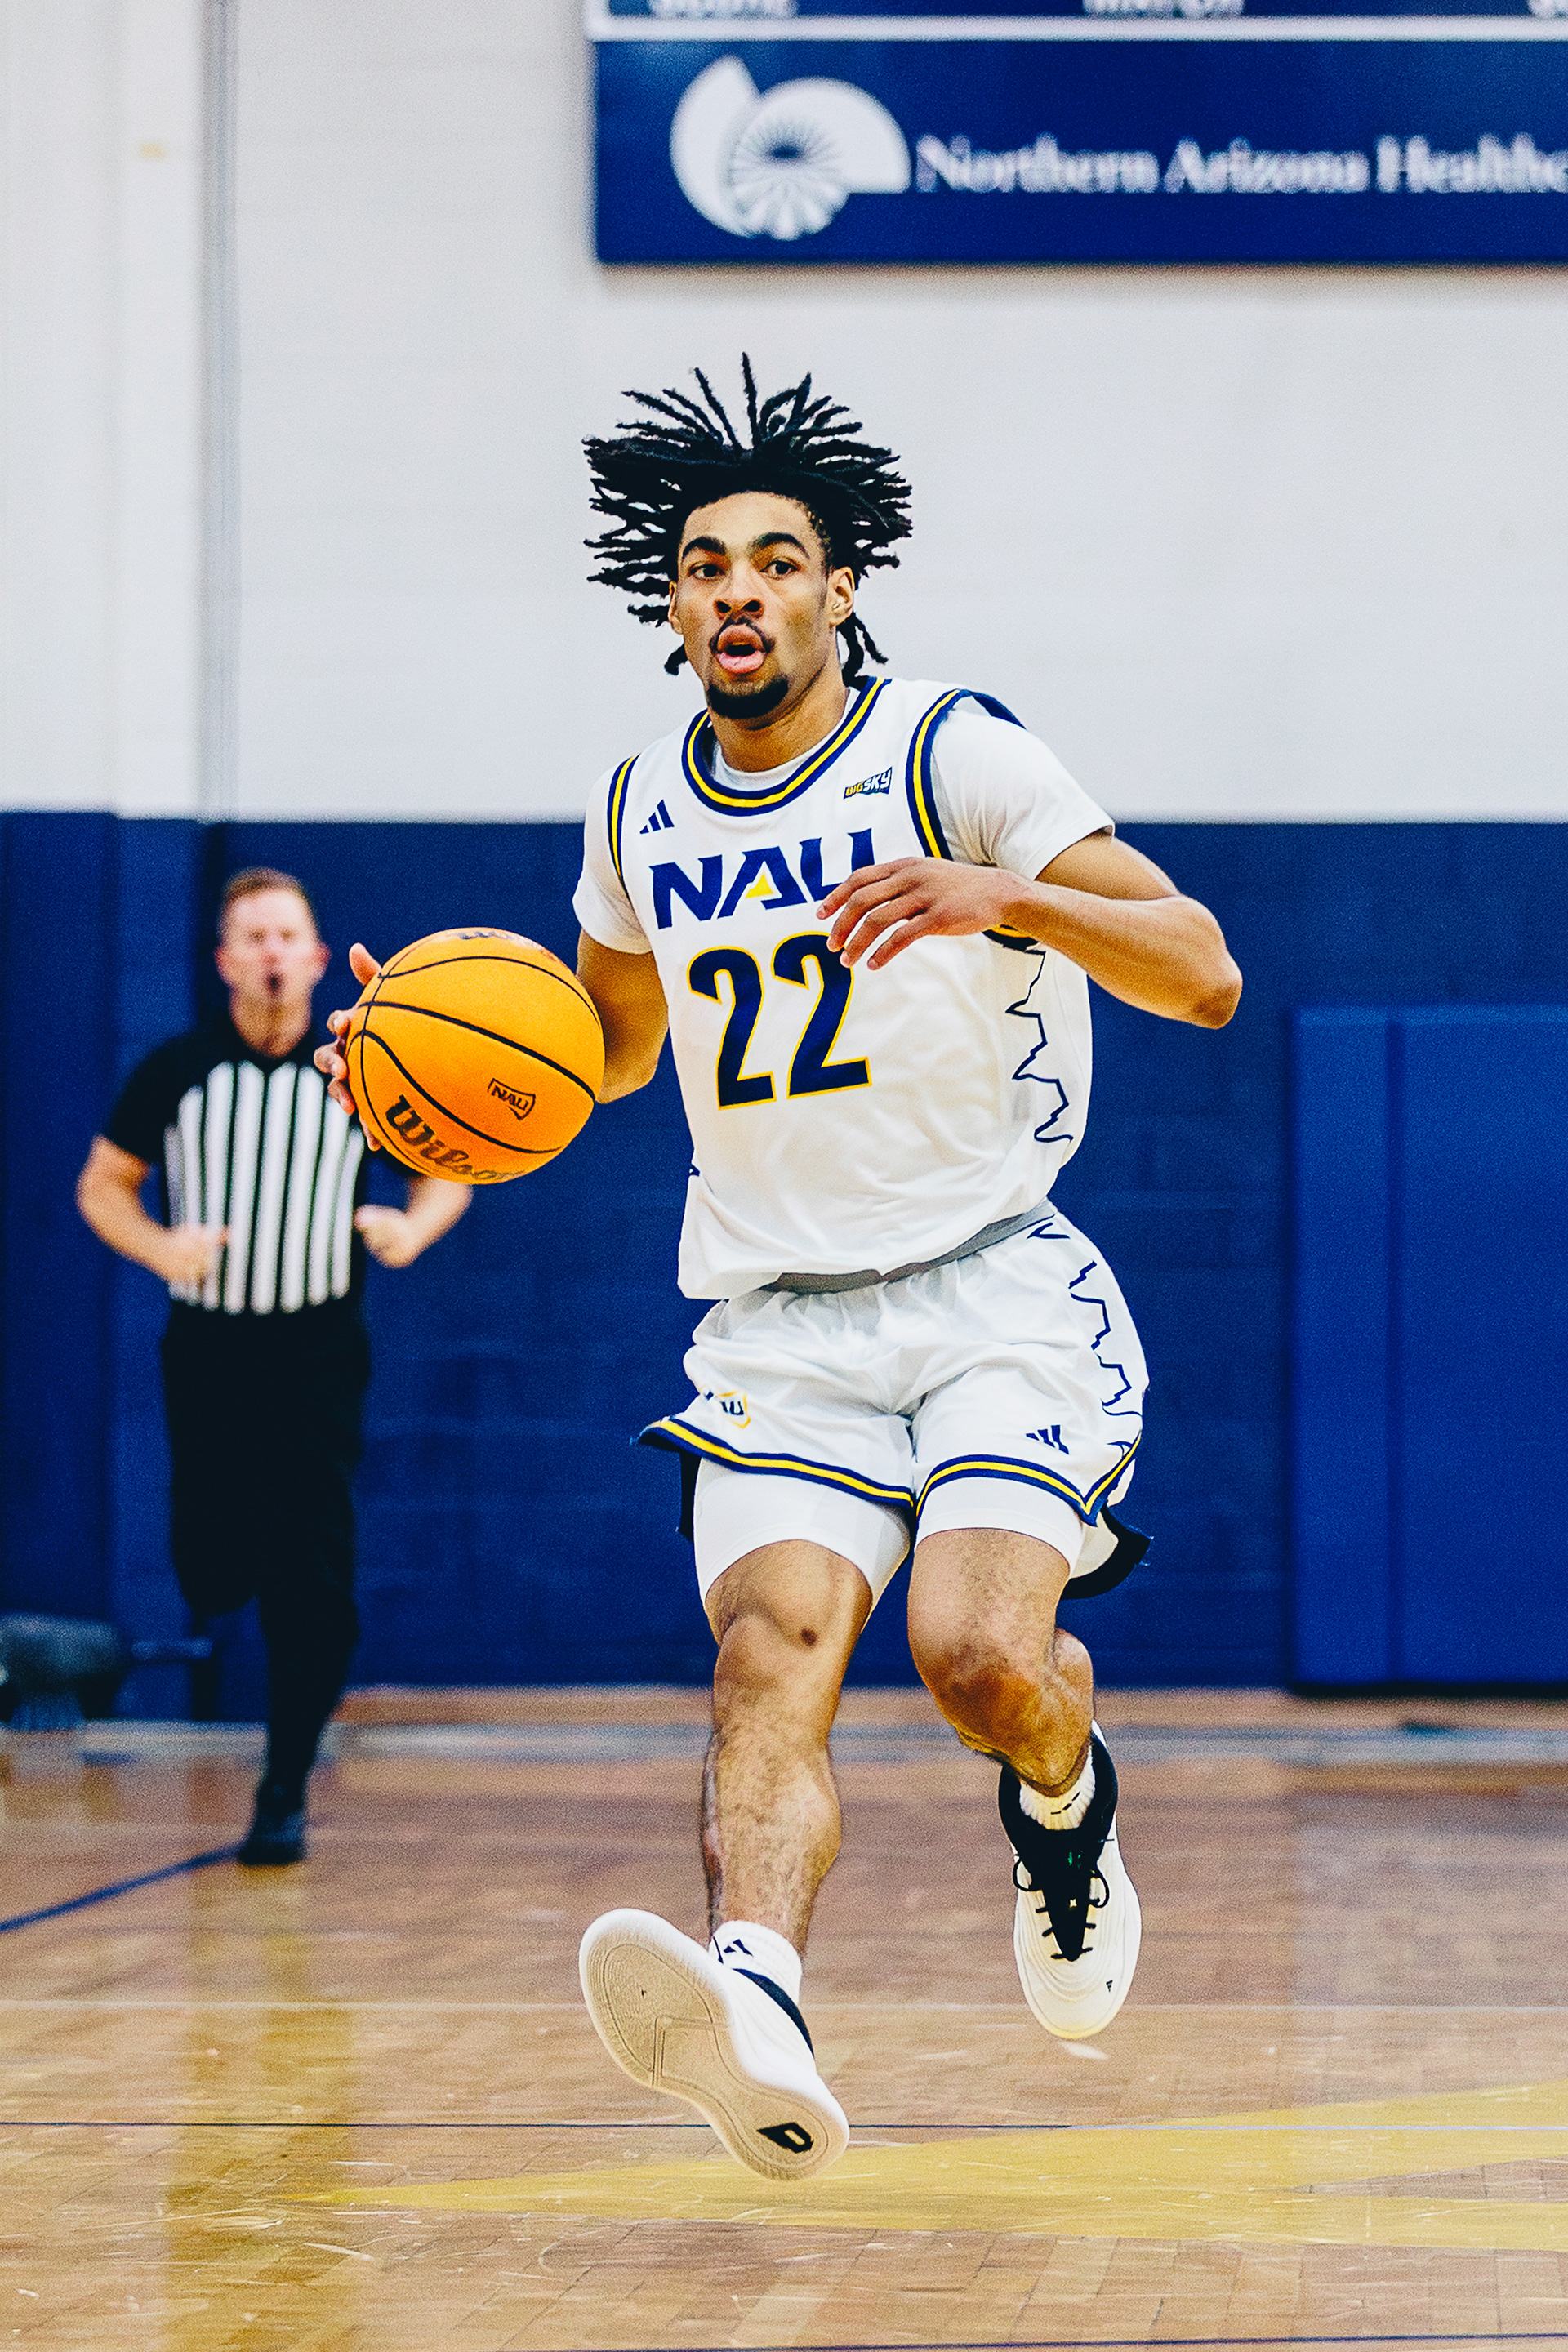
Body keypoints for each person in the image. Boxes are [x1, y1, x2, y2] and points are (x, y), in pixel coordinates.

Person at [322, 359, 1243, 2180]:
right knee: (768, 1664)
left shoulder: (949, 751)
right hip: (780, 1325)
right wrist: (431, 1076)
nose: (736, 589)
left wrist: (1016, 898)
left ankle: (1064, 1806)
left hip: (990, 1287)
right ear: (672, 610)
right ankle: (758, 2000)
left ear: (838, 588)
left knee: (977, 1656)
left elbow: (1202, 965)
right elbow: (593, 1058)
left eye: (774, 560)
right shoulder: (632, 811)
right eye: (702, 567)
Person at [78, 868, 470, 1864]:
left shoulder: (361, 1072)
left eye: (286, 934)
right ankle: (226, 1562)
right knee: (211, 1572)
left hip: (317, 1351)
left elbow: (450, 1170)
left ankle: (284, 1786)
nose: (269, 951)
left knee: (314, 1583)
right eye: (250, 935)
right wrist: (161, 1248)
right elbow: (103, 1189)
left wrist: (410, 1229)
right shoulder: (175, 1071)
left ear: (311, 952)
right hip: (209, 1349)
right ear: (224, 963)